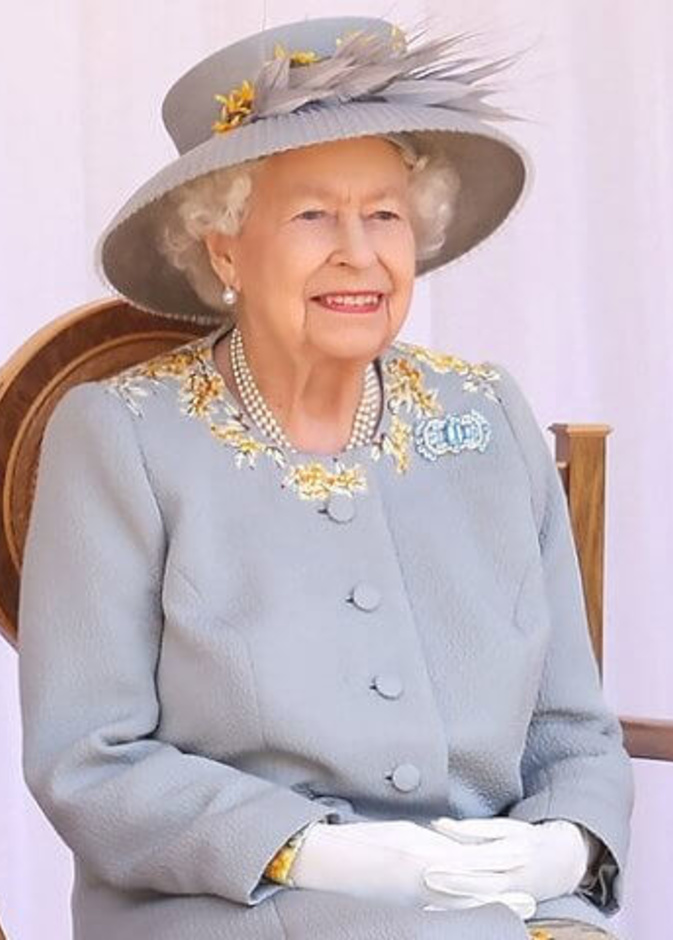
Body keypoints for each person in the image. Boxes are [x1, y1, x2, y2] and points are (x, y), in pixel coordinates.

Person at [17, 15, 634, 940]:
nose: (359, 252)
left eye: (383, 213)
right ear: (224, 247)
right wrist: (319, 852)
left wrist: (567, 849)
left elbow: (571, 727)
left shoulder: (486, 412)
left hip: (504, 906)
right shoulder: (121, 435)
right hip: (235, 907)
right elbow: (87, 759)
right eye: (312, 215)